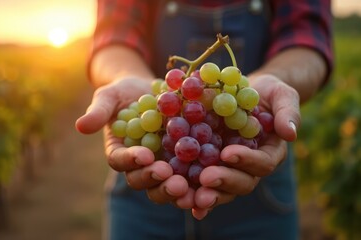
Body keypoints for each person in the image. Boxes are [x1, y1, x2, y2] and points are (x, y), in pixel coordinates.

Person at [76, 0, 333, 239]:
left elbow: (308, 38)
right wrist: (123, 75)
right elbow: (114, 36)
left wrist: (279, 79)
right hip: (149, 164)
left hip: (260, 187)